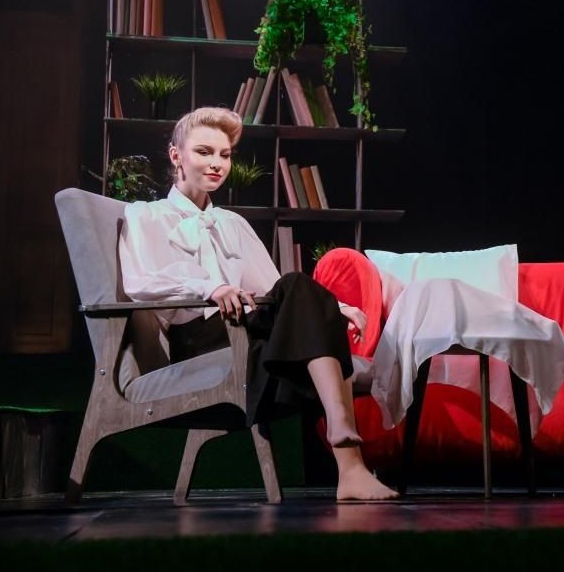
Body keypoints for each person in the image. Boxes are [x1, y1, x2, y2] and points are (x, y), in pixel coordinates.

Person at [119, 106, 398, 501]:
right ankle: (347, 453)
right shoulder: (146, 216)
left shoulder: (233, 223)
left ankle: (345, 451)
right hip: (200, 339)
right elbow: (141, 282)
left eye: (225, 155)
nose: (217, 164)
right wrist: (210, 287)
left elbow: (274, 290)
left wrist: (331, 309)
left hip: (248, 331)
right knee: (303, 301)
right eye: (204, 152)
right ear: (176, 155)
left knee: (296, 283)